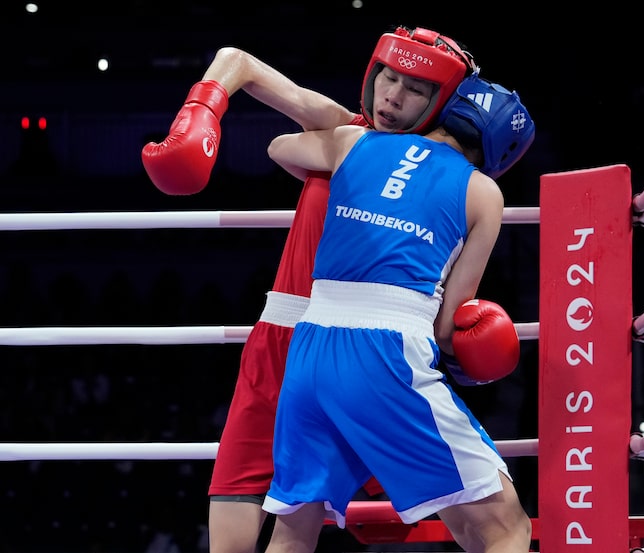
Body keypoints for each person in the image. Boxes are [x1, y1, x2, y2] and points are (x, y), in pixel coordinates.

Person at [141, 26, 479, 553]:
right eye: (389, 77)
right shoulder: (347, 131)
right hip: (282, 336)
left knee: (386, 526)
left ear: (442, 101)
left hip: (367, 350)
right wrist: (201, 111)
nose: (393, 96)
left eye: (413, 88)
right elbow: (238, 60)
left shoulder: (450, 181)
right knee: (231, 533)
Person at [260, 71, 536, 553]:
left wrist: (357, 152)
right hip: (387, 352)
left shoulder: (357, 141)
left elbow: (280, 148)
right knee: (507, 526)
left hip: (310, 348)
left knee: (294, 531)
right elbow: (450, 324)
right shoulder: (482, 193)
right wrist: (473, 362)